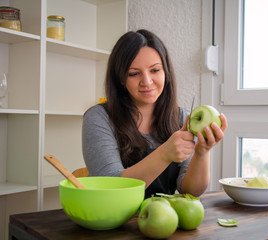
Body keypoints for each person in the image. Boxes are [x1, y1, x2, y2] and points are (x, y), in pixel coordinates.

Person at [82, 29, 227, 198]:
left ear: (166, 72)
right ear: (121, 78)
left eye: (155, 70)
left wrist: (202, 152)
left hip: (163, 221)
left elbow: (190, 191)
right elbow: (111, 186)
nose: (147, 81)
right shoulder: (99, 118)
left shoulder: (183, 118)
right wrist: (165, 153)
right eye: (134, 73)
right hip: (112, 220)